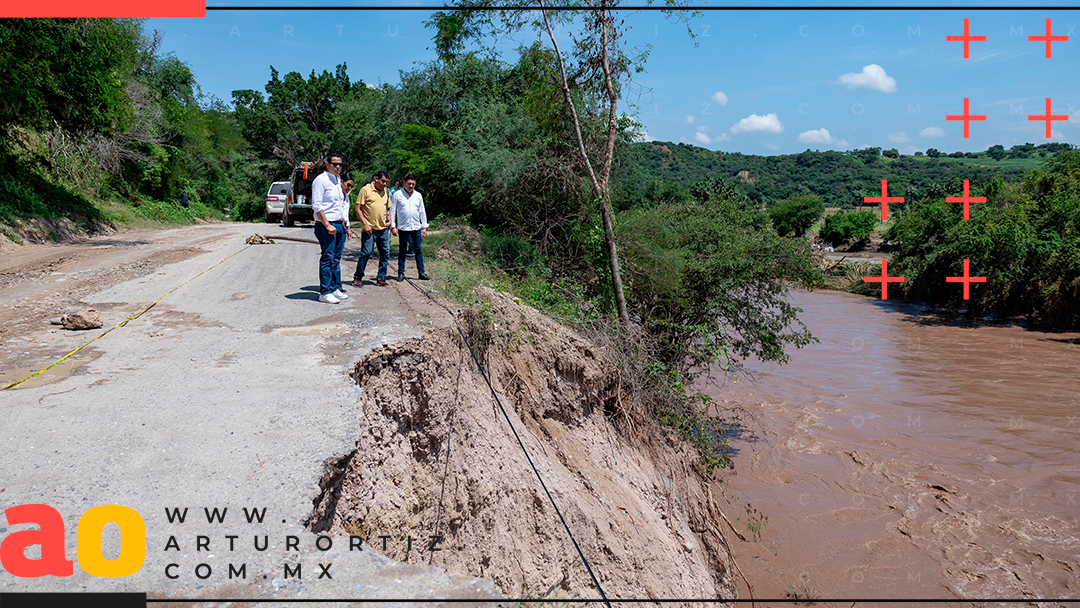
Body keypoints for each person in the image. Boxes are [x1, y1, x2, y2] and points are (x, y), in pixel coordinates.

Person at [312, 153, 353, 304]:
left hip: (339, 224)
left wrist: (345, 224)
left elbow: (339, 204)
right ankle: (325, 291)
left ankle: (335, 287)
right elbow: (317, 205)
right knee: (327, 258)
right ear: (327, 164)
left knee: (336, 259)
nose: (338, 167)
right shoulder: (321, 180)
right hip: (327, 225)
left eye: (340, 165)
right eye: (335, 164)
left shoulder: (337, 181)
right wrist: (327, 224)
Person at [352, 171, 392, 287]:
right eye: (383, 181)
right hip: (369, 229)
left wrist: (389, 221)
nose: (384, 184)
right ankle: (358, 277)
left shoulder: (386, 192)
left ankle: (381, 277)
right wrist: (365, 224)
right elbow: (358, 208)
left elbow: (387, 208)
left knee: (385, 253)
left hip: (383, 229)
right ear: (376, 179)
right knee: (366, 253)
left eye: (386, 182)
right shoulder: (365, 190)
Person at [391, 173, 429, 281]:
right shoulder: (397, 195)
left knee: (418, 249)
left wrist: (424, 227)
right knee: (402, 250)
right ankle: (401, 273)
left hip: (416, 227)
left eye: (413, 184)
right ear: (404, 183)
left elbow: (422, 211)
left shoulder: (418, 195)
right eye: (409, 183)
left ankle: (421, 272)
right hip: (403, 228)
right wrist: (393, 226)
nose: (411, 186)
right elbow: (392, 211)